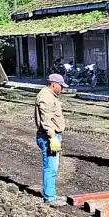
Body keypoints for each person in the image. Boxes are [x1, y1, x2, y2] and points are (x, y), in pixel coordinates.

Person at [35, 74, 67, 207]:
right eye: (61, 86)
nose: (62, 89)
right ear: (54, 84)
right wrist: (53, 137)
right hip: (48, 137)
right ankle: (49, 197)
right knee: (50, 167)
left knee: (52, 166)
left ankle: (51, 194)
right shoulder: (45, 96)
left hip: (51, 135)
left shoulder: (49, 95)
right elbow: (46, 120)